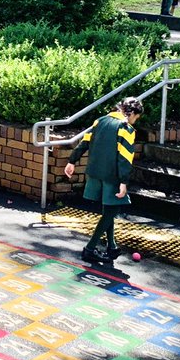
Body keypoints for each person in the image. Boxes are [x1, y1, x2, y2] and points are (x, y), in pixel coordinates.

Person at [64, 96, 144, 264]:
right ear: (132, 114)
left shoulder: (99, 121)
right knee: (111, 211)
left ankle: (112, 246)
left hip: (94, 171)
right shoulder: (126, 128)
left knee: (109, 208)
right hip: (112, 175)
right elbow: (125, 157)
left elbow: (84, 143)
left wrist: (72, 161)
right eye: (136, 118)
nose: (135, 121)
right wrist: (124, 182)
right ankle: (90, 248)